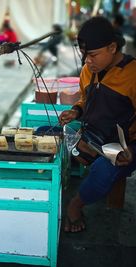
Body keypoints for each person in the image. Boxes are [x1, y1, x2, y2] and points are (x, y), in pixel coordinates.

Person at [59, 16, 136, 233]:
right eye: (84, 55)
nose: (87, 61)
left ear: (112, 47)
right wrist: (76, 111)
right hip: (92, 136)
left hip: (124, 147)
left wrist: (130, 148)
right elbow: (85, 99)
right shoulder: (88, 72)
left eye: (92, 55)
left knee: (104, 169)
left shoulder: (133, 75)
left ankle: (75, 205)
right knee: (46, 134)